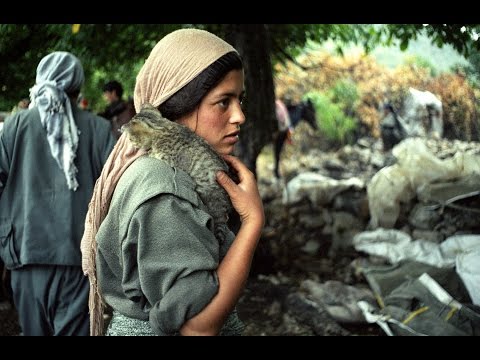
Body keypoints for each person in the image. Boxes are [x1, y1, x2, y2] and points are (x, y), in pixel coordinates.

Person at [81, 28, 265, 336]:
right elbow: (198, 327)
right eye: (223, 102)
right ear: (180, 104)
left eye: (240, 100)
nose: (239, 116)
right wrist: (253, 221)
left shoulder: (155, 168)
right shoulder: (168, 191)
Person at [0, 51, 116, 335]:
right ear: (77, 88)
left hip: (25, 255)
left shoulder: (15, 126)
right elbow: (119, 191)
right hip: (79, 261)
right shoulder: (99, 129)